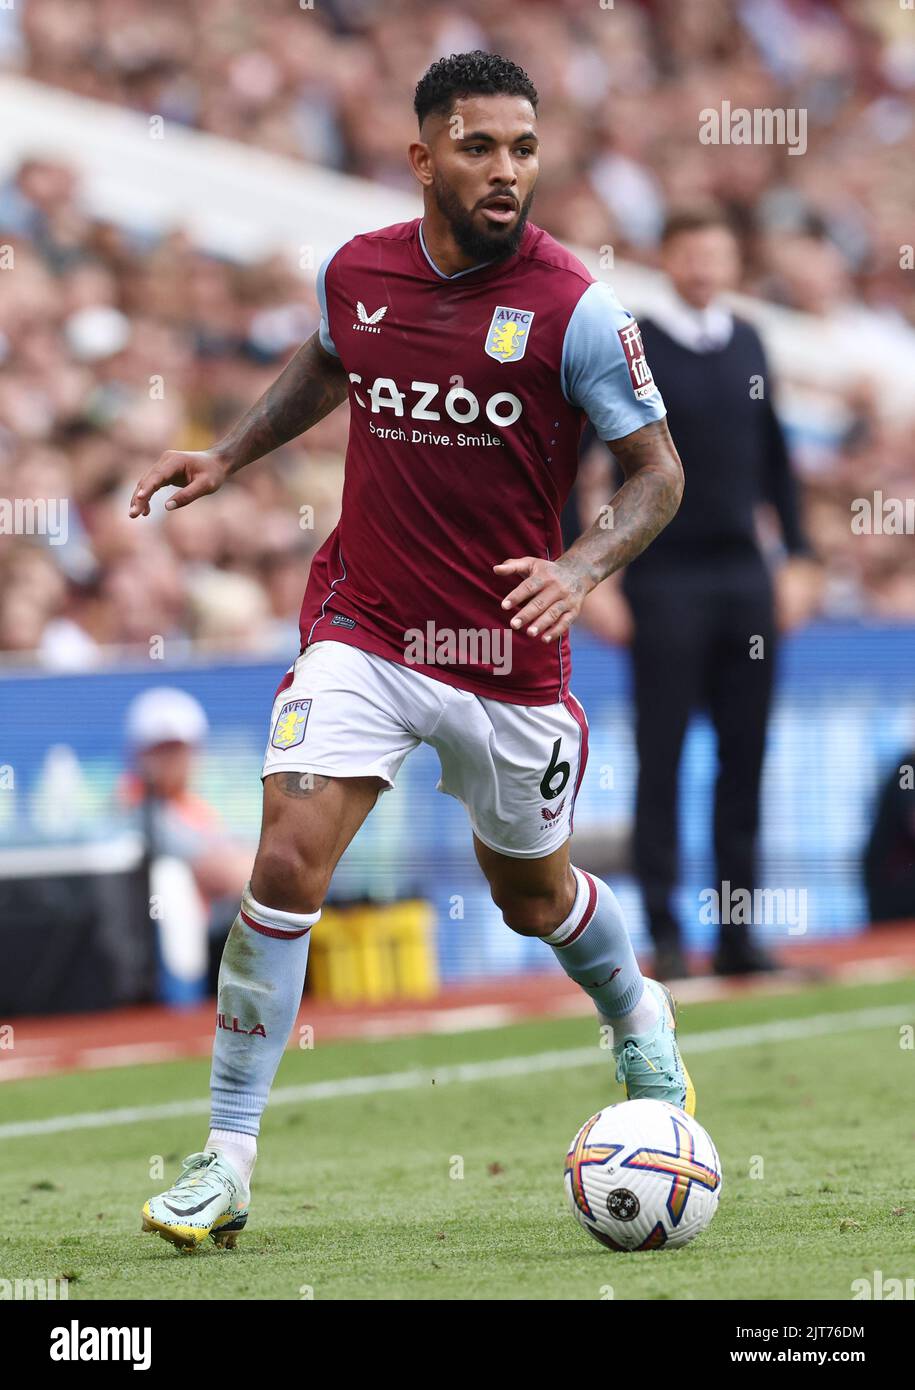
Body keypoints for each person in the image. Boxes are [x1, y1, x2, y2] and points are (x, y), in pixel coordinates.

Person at [129, 51, 690, 1252]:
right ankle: (224, 1160)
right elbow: (332, 360)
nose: (506, 171)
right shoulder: (360, 269)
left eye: (524, 149)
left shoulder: (575, 306)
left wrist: (581, 568)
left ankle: (636, 1008)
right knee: (284, 859)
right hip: (366, 629)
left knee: (531, 896)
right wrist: (228, 457)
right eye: (480, 146)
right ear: (423, 155)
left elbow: (659, 473)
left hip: (508, 658)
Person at [577, 206, 819, 981]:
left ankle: (740, 934)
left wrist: (801, 557)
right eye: (691, 251)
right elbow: (578, 462)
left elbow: (776, 458)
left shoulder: (747, 340)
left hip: (743, 575)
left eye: (718, 251)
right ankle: (667, 940)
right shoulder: (634, 341)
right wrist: (588, 573)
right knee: (663, 755)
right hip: (662, 575)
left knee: (743, 756)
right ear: (667, 257)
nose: (705, 265)